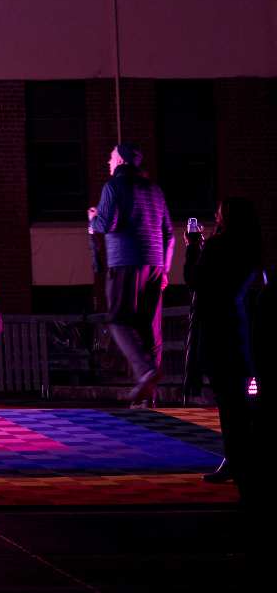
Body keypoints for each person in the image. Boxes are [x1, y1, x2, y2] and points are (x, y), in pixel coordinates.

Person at [184, 199, 264, 495]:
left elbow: (195, 280)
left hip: (217, 329)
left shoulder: (218, 247)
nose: (215, 214)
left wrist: (194, 247)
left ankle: (236, 461)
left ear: (226, 217)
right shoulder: (250, 246)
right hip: (239, 327)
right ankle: (244, 458)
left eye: (219, 211)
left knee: (228, 402)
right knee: (240, 401)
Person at [88, 142, 177, 405]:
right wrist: (165, 269)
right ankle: (149, 397)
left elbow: (106, 224)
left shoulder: (113, 186)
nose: (108, 162)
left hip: (124, 264)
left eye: (111, 157)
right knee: (147, 329)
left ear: (122, 162)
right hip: (154, 265)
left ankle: (145, 372)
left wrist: (93, 218)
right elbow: (169, 234)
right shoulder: (155, 191)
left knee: (117, 320)